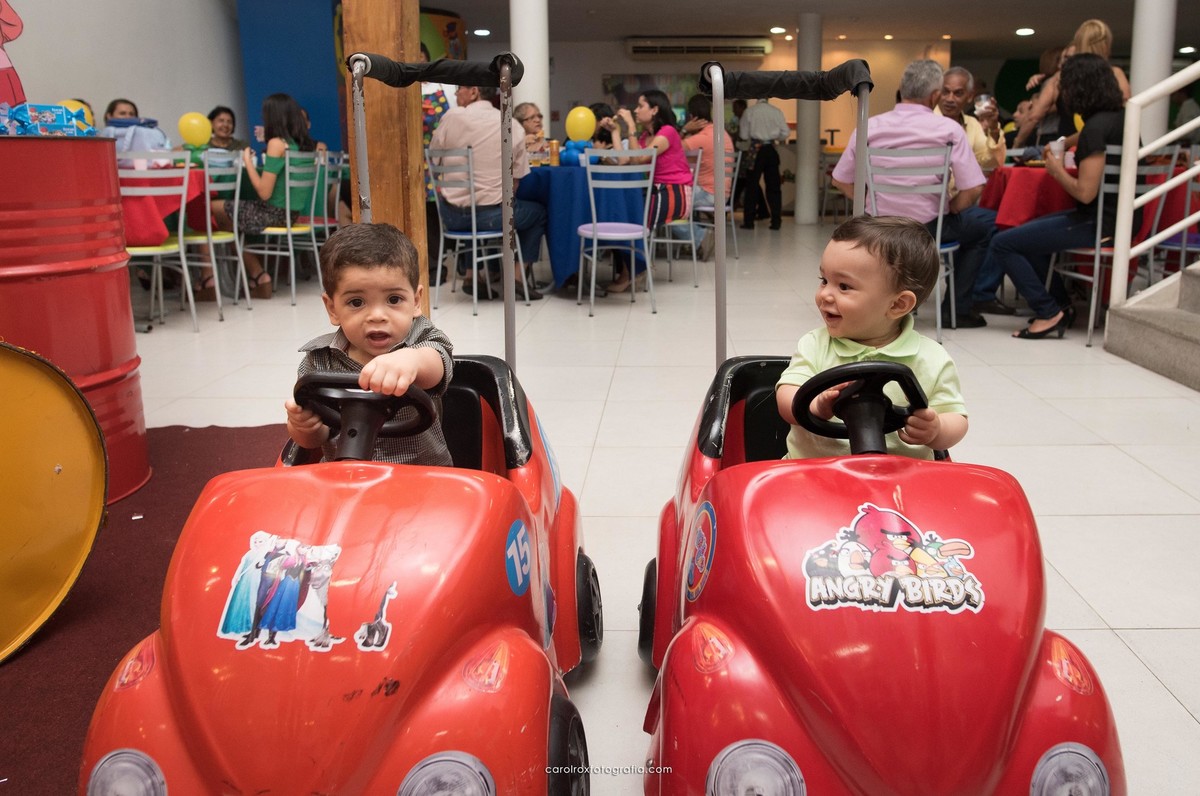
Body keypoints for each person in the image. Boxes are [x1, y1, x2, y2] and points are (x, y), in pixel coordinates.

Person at [775, 215, 968, 460]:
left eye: (844, 286)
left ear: (898, 304)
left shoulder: (932, 358)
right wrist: (815, 406)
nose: (825, 295)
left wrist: (937, 429)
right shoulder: (815, 345)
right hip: (812, 471)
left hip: (902, 475)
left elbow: (956, 417)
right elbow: (786, 395)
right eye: (824, 281)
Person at [982, 53, 1139, 341]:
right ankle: (1061, 307)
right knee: (1026, 233)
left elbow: (1085, 192)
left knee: (1003, 243)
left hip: (1098, 224)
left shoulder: (1096, 129)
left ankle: (1048, 311)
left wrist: (1055, 170)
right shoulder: (1122, 119)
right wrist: (1065, 142)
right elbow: (1089, 135)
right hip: (1123, 220)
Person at [831, 59, 997, 328]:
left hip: (878, 227)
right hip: (929, 229)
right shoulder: (949, 129)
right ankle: (957, 309)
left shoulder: (870, 126)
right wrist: (952, 208)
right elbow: (974, 187)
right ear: (935, 95)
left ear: (902, 88)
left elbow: (840, 180)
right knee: (981, 231)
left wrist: (869, 203)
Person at [284, 223, 454, 466]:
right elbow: (312, 442)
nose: (377, 316)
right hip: (346, 477)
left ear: (416, 301)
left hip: (423, 477)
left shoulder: (423, 338)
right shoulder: (319, 362)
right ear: (332, 308)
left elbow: (437, 364)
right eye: (356, 302)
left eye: (393, 299)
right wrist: (303, 427)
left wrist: (411, 360)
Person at [195, 92, 319, 301]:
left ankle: (210, 279)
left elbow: (264, 192)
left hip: (272, 213)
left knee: (207, 207)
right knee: (228, 223)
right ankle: (258, 277)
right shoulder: (303, 145)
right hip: (291, 214)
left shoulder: (277, 143)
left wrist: (247, 161)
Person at [430, 83, 546, 299]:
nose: (455, 93)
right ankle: (517, 278)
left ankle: (472, 275)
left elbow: (434, 157)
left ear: (474, 91)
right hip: (491, 219)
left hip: (451, 217)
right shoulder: (510, 124)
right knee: (537, 213)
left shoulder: (450, 117)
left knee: (470, 204)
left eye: (459, 89)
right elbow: (516, 181)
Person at [612, 89, 694, 292]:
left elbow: (639, 159)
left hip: (675, 193)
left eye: (641, 106)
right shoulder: (644, 137)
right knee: (621, 210)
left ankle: (632, 272)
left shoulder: (667, 132)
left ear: (655, 110)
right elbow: (626, 161)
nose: (636, 110)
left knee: (630, 215)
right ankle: (635, 268)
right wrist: (615, 132)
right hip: (655, 192)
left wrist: (630, 126)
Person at [1015, 20, 1131, 149]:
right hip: (1110, 144)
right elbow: (1127, 111)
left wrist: (1017, 143)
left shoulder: (1061, 77)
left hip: (1070, 147)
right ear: (1106, 44)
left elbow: (1035, 116)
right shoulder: (1115, 73)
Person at [675, 94, 734, 260]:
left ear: (692, 117)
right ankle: (693, 241)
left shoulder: (703, 137)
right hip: (720, 193)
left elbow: (672, 149)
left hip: (709, 194)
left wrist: (684, 130)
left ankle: (701, 237)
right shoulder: (719, 132)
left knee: (670, 204)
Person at [419, 42, 456, 285]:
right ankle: (429, 267)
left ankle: (449, 263)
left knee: (443, 211)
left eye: (420, 56)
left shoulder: (445, 87)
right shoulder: (400, 89)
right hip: (413, 160)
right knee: (424, 215)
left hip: (443, 160)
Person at [936, 66, 1006, 174]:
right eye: (945, 92)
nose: (950, 99)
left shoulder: (972, 124)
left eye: (958, 93)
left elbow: (990, 163)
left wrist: (993, 129)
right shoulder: (926, 120)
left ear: (969, 97)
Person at [738, 98, 789, 230]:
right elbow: (786, 132)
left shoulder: (750, 111)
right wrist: (774, 137)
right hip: (770, 150)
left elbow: (743, 135)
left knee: (751, 186)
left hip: (755, 150)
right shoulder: (776, 111)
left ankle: (749, 221)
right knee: (774, 187)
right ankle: (776, 221)